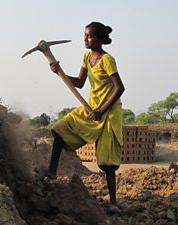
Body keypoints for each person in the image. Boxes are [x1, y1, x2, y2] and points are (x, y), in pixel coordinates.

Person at [45, 21, 125, 207]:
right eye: (85, 36)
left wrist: (101, 110)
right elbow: (79, 83)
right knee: (59, 129)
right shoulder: (86, 57)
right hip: (91, 110)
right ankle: (51, 171)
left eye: (90, 36)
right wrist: (60, 72)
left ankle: (113, 202)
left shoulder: (107, 60)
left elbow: (120, 88)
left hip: (108, 114)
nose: (86, 40)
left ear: (99, 39)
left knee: (107, 162)